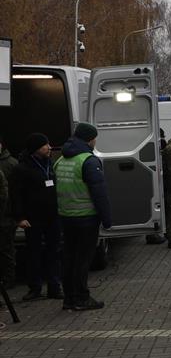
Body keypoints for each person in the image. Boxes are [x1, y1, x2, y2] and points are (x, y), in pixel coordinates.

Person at [54, 123, 112, 311]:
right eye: (95, 138)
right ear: (90, 139)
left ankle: (69, 298)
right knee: (82, 260)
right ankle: (81, 298)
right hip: (86, 218)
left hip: (66, 216)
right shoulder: (88, 161)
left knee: (69, 258)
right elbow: (99, 194)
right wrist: (107, 219)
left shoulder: (60, 160)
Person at [10, 133, 62, 301]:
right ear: (35, 149)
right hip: (33, 218)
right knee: (34, 252)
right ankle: (35, 287)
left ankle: (54, 286)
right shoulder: (21, 169)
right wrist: (20, 217)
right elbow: (16, 195)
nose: (49, 147)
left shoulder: (50, 164)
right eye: (45, 145)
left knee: (53, 251)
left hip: (52, 216)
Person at [0, 135, 18, 289]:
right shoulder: (12, 163)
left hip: (6, 215)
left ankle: (9, 279)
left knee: (6, 249)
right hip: (6, 214)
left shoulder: (11, 164)